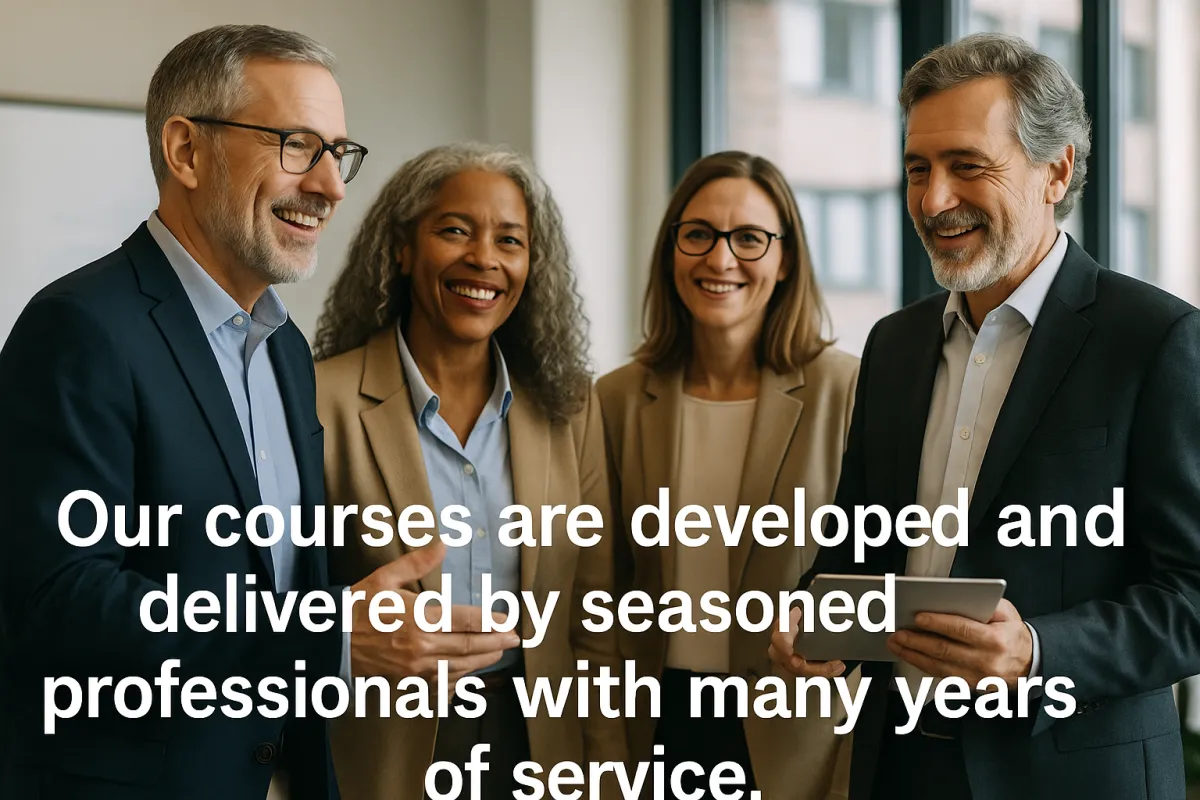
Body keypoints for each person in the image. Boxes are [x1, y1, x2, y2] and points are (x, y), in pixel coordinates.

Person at [0, 24, 451, 800]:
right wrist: (326, 635)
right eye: (297, 144)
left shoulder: (284, 350)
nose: (333, 187)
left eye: (338, 153)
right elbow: (62, 603)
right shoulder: (78, 327)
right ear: (185, 152)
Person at [768, 32, 1200, 800]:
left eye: (968, 166)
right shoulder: (895, 345)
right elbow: (859, 543)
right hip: (900, 768)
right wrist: (815, 610)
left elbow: (1192, 594)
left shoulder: (1157, 339)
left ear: (1056, 170)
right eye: (917, 170)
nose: (934, 201)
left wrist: (1037, 651)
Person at [310, 141, 629, 800]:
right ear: (401, 248)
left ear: (531, 264)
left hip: (538, 751)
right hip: (382, 756)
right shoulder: (320, 399)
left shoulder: (569, 409)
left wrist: (604, 778)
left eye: (509, 240)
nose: (484, 258)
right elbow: (282, 605)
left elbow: (592, 626)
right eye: (455, 230)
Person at [595, 151, 859, 799]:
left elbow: (877, 564)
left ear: (785, 259)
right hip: (652, 728)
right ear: (670, 250)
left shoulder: (848, 390)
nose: (720, 260)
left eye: (749, 239)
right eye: (698, 235)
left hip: (796, 734)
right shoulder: (616, 399)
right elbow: (598, 595)